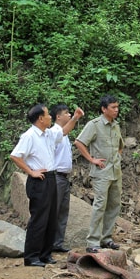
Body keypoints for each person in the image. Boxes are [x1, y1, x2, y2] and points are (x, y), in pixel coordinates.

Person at [10, 104, 84, 267]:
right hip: (39, 180)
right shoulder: (29, 136)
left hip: (51, 177)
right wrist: (31, 171)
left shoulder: (48, 133)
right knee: (39, 218)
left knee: (51, 217)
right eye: (47, 115)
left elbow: (64, 131)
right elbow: (15, 156)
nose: (51, 117)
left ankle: (45, 254)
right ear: (40, 118)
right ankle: (32, 256)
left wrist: (75, 118)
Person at [74, 95, 124, 253]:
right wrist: (91, 159)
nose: (116, 110)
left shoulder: (115, 125)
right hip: (101, 173)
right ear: (104, 109)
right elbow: (79, 142)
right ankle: (93, 242)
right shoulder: (94, 125)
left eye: (117, 107)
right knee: (99, 206)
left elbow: (120, 145)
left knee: (114, 205)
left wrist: (117, 158)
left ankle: (106, 238)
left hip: (116, 172)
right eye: (113, 107)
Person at [50, 104, 73, 253]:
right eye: (66, 113)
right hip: (56, 176)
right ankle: (48, 243)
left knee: (63, 211)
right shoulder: (53, 133)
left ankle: (57, 243)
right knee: (54, 210)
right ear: (58, 116)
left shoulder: (65, 135)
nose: (69, 115)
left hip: (64, 177)